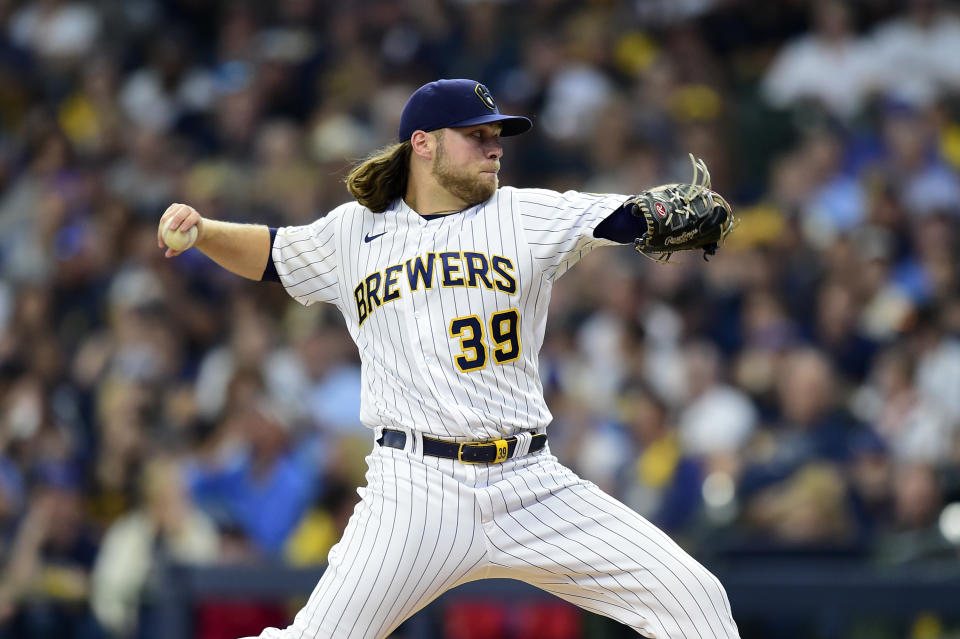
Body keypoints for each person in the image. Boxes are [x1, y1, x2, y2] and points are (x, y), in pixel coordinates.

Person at [158, 78, 739, 639]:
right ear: (423, 143)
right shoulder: (353, 232)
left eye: (497, 137)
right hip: (415, 490)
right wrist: (205, 231)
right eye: (476, 135)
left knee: (696, 602)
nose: (494, 148)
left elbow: (619, 217)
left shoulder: (521, 214)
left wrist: (651, 215)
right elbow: (272, 253)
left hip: (530, 483)